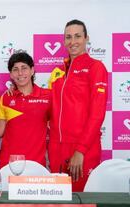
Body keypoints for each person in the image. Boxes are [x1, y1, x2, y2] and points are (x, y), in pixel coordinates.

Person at [48, 19, 108, 191]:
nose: (72, 42)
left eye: (77, 36)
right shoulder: (58, 71)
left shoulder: (96, 67)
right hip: (56, 149)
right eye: (68, 37)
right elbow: (49, 105)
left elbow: (97, 113)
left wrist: (80, 150)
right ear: (64, 40)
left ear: (86, 38)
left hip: (82, 149)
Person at [0, 51, 51, 168]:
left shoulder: (48, 96)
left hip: (36, 165)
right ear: (11, 74)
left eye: (24, 68)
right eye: (15, 69)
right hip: (8, 165)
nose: (20, 73)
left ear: (32, 70)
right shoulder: (5, 98)